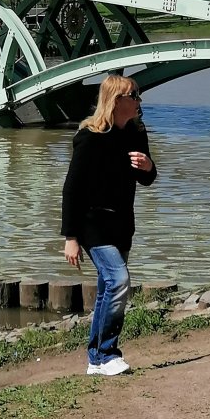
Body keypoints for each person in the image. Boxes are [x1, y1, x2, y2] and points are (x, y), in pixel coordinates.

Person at [61, 74, 157, 375]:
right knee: (118, 281)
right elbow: (71, 189)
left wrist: (149, 166)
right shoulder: (90, 137)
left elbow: (147, 179)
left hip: (122, 223)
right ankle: (106, 353)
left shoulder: (136, 133)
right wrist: (71, 236)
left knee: (107, 288)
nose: (139, 100)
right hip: (92, 224)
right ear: (117, 100)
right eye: (134, 94)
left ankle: (95, 358)